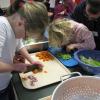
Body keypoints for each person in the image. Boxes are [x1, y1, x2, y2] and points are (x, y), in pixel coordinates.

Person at [0, 0, 48, 100]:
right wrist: (15, 67)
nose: (25, 38)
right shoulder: (1, 26)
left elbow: (19, 45)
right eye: (26, 36)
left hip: (6, 80)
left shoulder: (14, 28)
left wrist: (31, 60)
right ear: (21, 22)